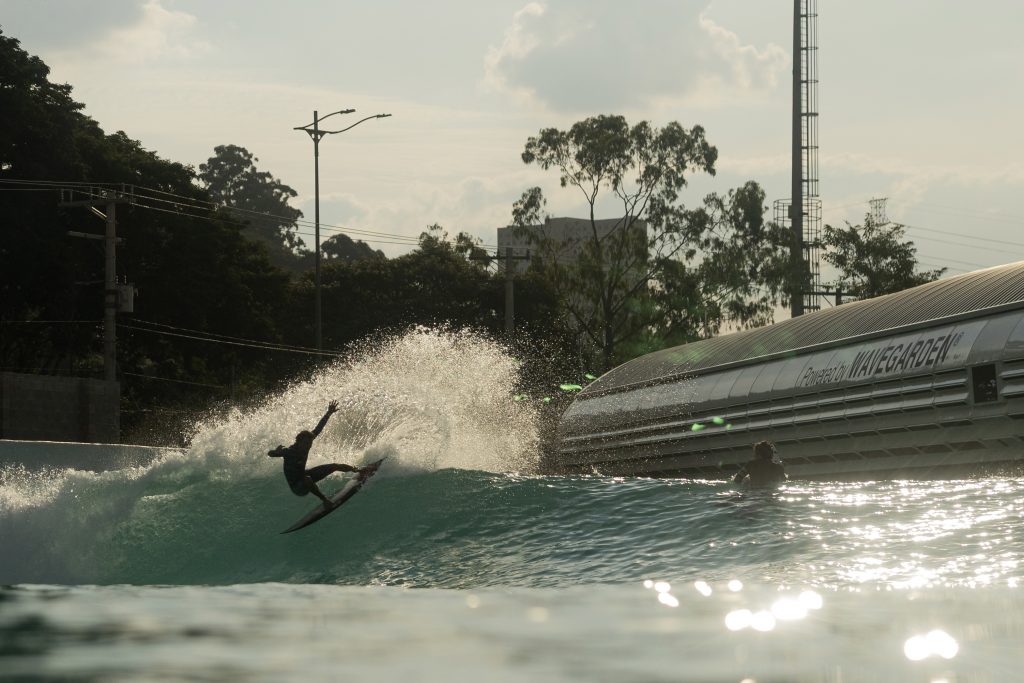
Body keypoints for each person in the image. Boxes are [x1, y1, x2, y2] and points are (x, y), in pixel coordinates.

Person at [268, 400, 364, 510]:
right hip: (297, 487)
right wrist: (276, 451)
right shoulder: (290, 451)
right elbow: (270, 454)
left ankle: (358, 470)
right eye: (306, 443)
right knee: (307, 479)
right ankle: (325, 500)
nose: (308, 445)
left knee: (334, 466)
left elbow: (318, 428)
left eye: (310, 442)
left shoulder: (308, 440)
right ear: (298, 441)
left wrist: (328, 413)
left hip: (304, 475)